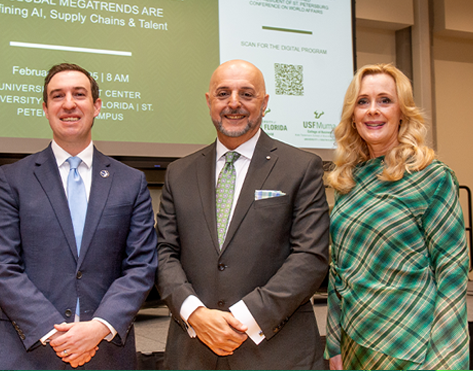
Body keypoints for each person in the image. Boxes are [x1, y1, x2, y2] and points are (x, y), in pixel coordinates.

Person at [0, 63, 157, 370]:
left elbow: (141, 266)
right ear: (46, 109)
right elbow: (0, 267)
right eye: (58, 96)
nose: (69, 104)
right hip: (31, 351)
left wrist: (99, 326)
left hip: (105, 351)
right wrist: (55, 331)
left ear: (97, 106)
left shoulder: (131, 182)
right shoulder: (11, 180)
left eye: (79, 94)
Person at [155, 59, 330, 369]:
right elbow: (164, 253)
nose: (233, 103)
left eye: (246, 94)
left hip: (277, 354)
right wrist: (195, 313)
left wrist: (242, 319)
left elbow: (310, 257)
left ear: (264, 103)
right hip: (193, 352)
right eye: (223, 94)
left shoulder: (301, 168)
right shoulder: (179, 173)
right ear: (209, 102)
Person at [325, 63, 469, 370]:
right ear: (353, 114)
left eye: (385, 100)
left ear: (402, 111)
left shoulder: (432, 177)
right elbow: (339, 271)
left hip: (413, 347)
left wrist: (445, 361)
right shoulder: (348, 182)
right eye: (363, 101)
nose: (372, 110)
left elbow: (452, 272)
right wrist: (334, 343)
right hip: (355, 345)